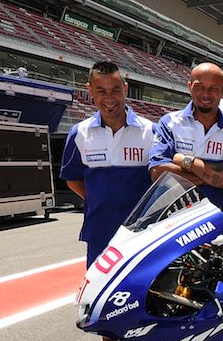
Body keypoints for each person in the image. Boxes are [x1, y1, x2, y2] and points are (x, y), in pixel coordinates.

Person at [61, 61, 154, 266]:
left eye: (116, 90)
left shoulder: (151, 131)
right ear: (90, 91)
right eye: (101, 91)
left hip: (142, 233)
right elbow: (72, 179)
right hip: (99, 233)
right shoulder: (79, 133)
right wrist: (99, 199)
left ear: (126, 89)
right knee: (99, 295)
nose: (109, 98)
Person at [148, 63, 223, 228]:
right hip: (171, 225)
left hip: (216, 226)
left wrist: (186, 161)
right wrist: (211, 177)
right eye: (199, 87)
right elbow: (157, 172)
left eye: (213, 88)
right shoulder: (170, 123)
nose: (205, 94)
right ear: (189, 87)